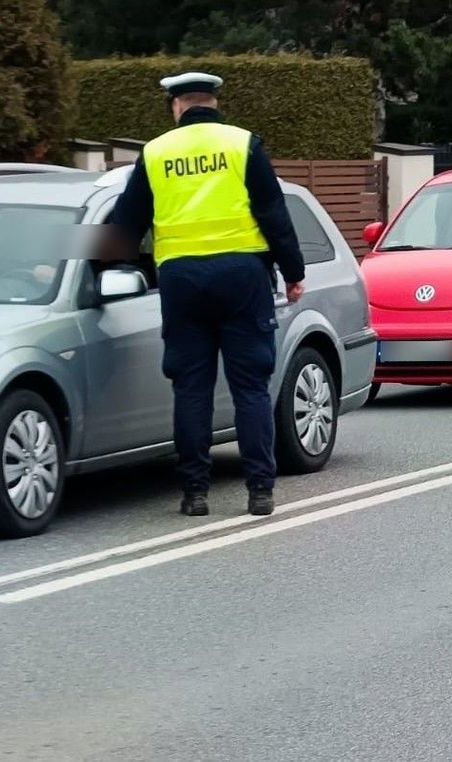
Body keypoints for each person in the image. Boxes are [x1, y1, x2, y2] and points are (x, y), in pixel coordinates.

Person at [106, 71, 306, 518]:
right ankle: (259, 491)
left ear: (176, 105)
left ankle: (195, 493)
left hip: (182, 281)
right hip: (243, 277)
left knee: (191, 389)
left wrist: (89, 263)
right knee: (250, 387)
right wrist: (293, 272)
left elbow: (125, 224)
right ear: (213, 102)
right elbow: (273, 212)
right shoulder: (242, 143)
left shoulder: (155, 152)